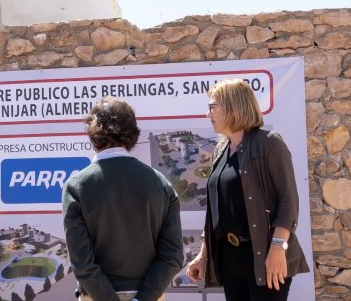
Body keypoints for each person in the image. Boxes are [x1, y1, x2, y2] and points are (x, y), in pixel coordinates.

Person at [185, 79, 309, 300]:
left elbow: (288, 200)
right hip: (230, 258)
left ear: (233, 107)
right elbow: (217, 209)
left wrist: (278, 248)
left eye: (213, 107)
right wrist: (203, 256)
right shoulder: (221, 148)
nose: (208, 114)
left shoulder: (269, 143)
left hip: (265, 254)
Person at [61, 97, 184, 301]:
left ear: (92, 134)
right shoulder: (160, 183)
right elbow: (173, 257)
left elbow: (82, 262)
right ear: (133, 133)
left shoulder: (77, 185)